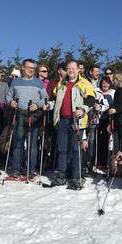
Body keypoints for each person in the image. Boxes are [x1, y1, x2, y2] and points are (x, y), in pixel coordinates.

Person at [46, 60, 93, 190]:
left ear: (79, 70)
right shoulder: (62, 83)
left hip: (77, 121)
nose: (71, 70)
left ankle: (76, 177)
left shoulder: (85, 83)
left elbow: (90, 100)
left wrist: (83, 109)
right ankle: (61, 175)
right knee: (62, 149)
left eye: (73, 68)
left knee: (75, 149)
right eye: (69, 68)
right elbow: (54, 99)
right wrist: (48, 105)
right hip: (62, 120)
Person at [5, 59, 48, 179]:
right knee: (18, 143)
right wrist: (11, 102)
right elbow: (8, 96)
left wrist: (38, 104)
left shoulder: (38, 82)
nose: (31, 70)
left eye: (33, 68)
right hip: (19, 115)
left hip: (33, 116)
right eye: (29, 67)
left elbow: (45, 98)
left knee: (32, 144)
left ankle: (31, 169)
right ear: (23, 68)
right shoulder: (15, 82)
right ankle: (16, 169)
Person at [94, 76, 115, 169]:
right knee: (99, 141)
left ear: (110, 84)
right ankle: (99, 161)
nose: (105, 84)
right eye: (103, 83)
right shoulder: (97, 93)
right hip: (98, 120)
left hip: (109, 120)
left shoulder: (112, 94)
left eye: (107, 83)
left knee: (108, 142)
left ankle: (107, 162)